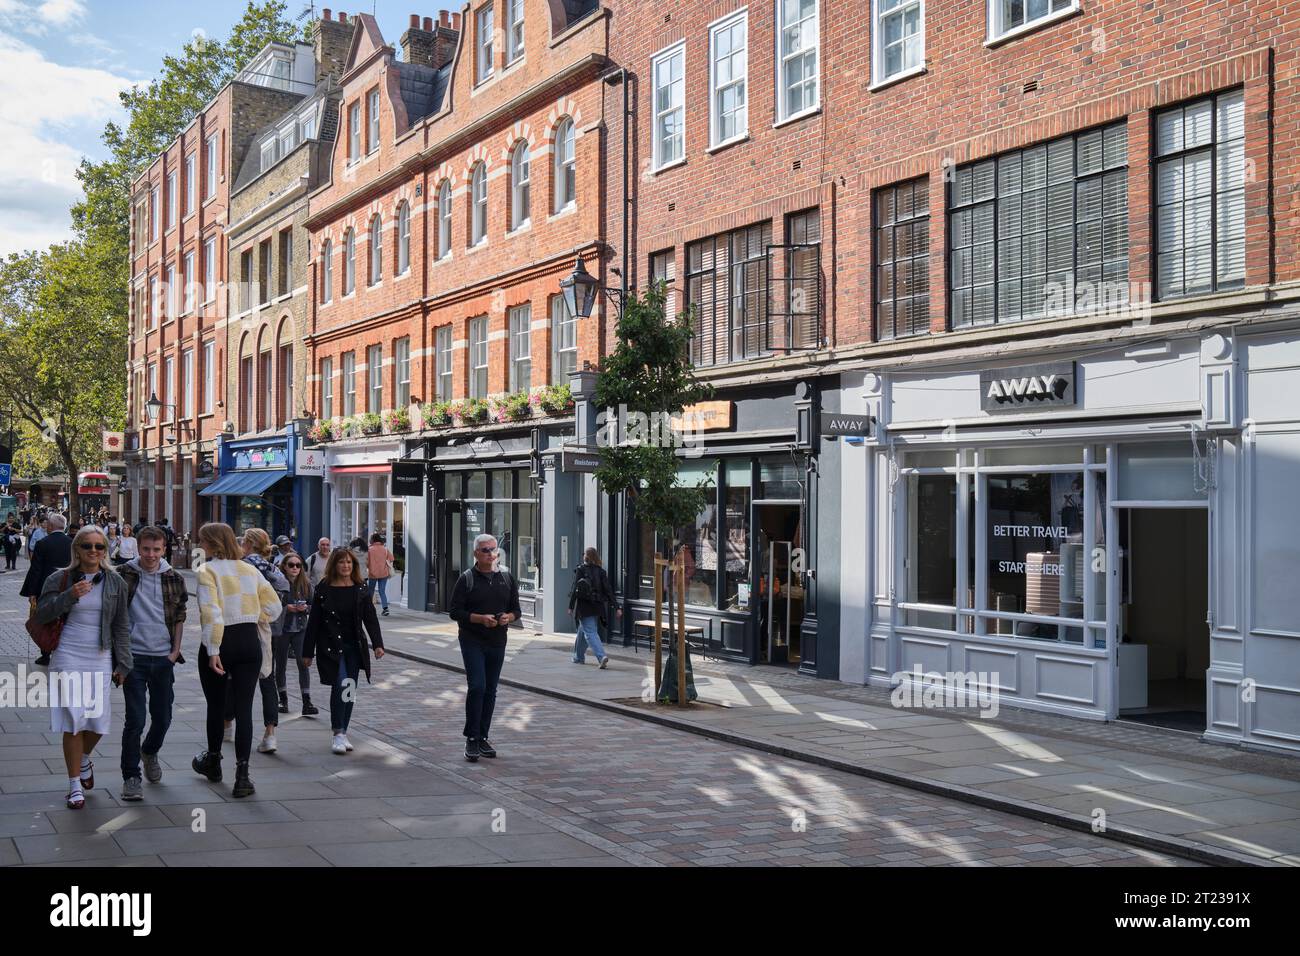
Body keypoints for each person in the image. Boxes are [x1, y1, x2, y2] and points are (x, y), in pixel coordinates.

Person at [33, 525, 131, 810]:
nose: (93, 551)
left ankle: (84, 757)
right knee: (74, 719)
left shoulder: (115, 582)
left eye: (99, 546)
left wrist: (124, 662)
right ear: (76, 549)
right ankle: (74, 784)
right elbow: (42, 614)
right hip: (68, 654)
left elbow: (121, 625)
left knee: (98, 719)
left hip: (100, 655)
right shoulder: (60, 578)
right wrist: (69, 596)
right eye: (86, 546)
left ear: (105, 550)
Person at [191, 523, 281, 798]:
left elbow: (211, 612)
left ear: (212, 543)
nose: (200, 545)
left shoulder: (207, 571)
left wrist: (214, 649)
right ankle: (243, 775)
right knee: (244, 709)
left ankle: (214, 762)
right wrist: (254, 616)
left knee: (216, 706)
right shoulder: (250, 570)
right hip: (248, 642)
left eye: (202, 541)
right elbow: (274, 608)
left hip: (223, 642)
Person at [117, 527, 188, 802]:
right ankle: (131, 777)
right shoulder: (123, 574)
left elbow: (180, 615)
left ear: (163, 550)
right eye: (146, 549)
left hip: (163, 658)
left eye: (156, 550)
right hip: (133, 658)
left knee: (163, 718)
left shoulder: (175, 578)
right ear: (137, 547)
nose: (150, 555)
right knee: (135, 719)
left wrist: (175, 652)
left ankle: (149, 751)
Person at [300, 547, 384, 755]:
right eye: (341, 562)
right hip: (330, 646)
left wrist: (378, 644)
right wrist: (307, 652)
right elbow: (314, 623)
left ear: (353, 565)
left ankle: (343, 731)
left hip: (354, 647)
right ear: (334, 565)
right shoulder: (324, 589)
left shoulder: (360, 588)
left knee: (349, 689)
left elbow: (370, 619)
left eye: (349, 562)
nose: (345, 566)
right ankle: (337, 732)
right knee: (339, 685)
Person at [448, 533, 520, 762]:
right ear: (475, 554)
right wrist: (480, 619)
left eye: (493, 549)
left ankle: (482, 737)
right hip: (472, 640)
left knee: (490, 689)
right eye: (485, 550)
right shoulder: (467, 579)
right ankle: (471, 737)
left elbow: (516, 609)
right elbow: (454, 612)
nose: (490, 554)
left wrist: (508, 617)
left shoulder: (507, 578)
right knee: (477, 686)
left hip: (498, 641)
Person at [236, 528, 289, 755]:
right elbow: (284, 587)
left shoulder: (242, 565)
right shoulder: (272, 567)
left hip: (241, 624)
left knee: (236, 679)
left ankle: (229, 724)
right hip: (264, 626)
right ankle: (270, 733)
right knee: (267, 679)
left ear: (248, 544)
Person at [277, 552, 318, 717]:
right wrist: (288, 609)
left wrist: (305, 608)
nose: (295, 568)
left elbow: (314, 606)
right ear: (284, 567)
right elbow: (269, 606)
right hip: (282, 630)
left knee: (303, 664)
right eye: (291, 565)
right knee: (280, 665)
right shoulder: (278, 584)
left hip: (301, 629)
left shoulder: (306, 584)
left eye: (298, 565)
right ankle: (283, 700)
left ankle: (306, 701)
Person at [569, 547, 619, 668]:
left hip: (584, 607)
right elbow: (608, 590)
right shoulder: (601, 571)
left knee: (590, 632)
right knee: (583, 630)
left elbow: (575, 589)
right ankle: (578, 657)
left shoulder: (581, 570)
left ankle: (601, 656)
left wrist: (570, 606)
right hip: (597, 606)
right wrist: (617, 607)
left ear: (585, 556)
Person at [366, 533, 395, 617]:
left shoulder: (369, 550)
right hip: (384, 573)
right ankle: (385, 609)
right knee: (382, 591)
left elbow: (366, 562)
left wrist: (370, 566)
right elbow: (392, 559)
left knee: (370, 591)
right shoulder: (385, 549)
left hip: (372, 573)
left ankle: (368, 608)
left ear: (372, 540)